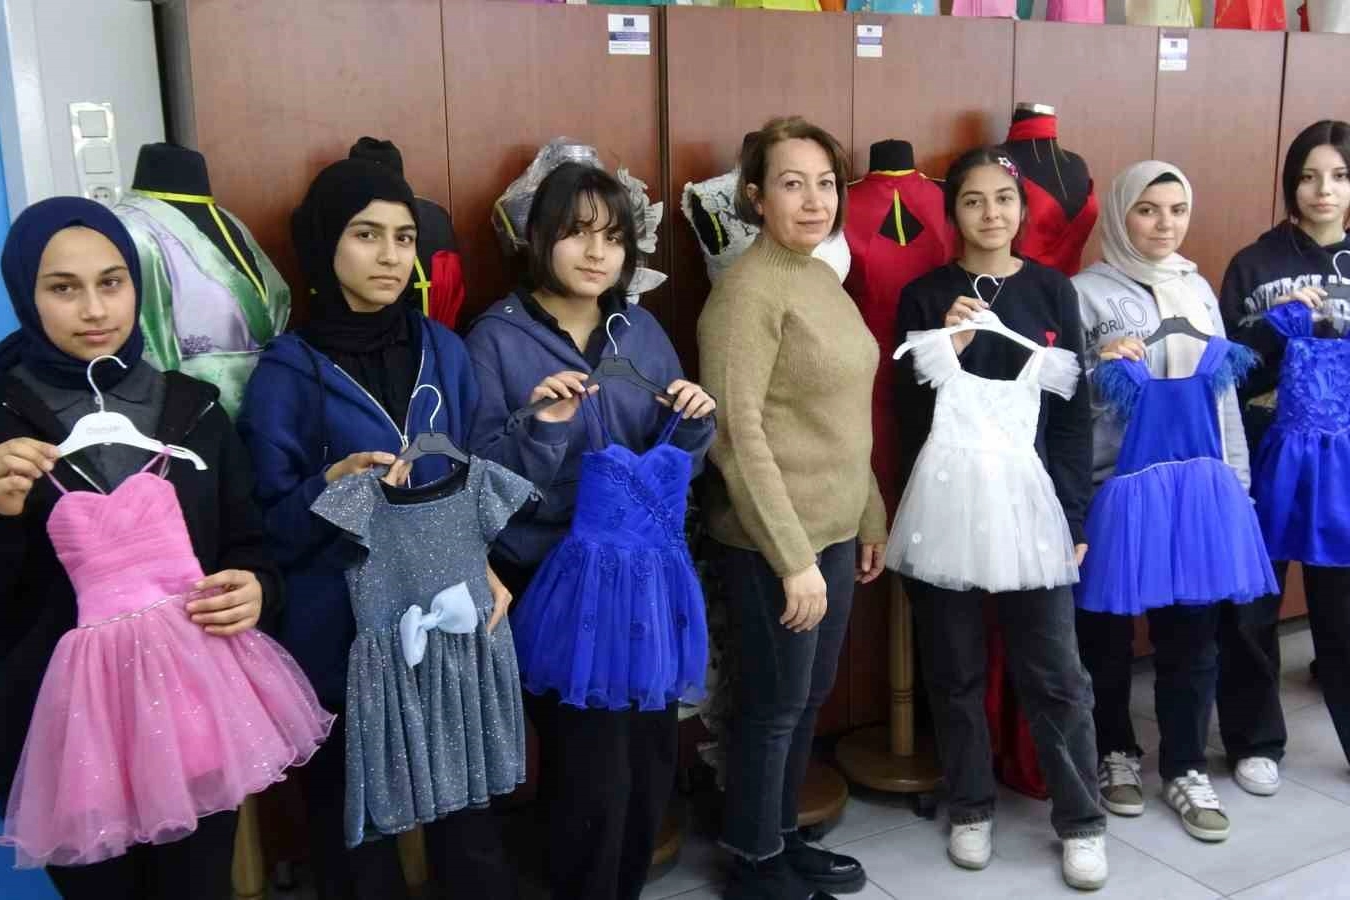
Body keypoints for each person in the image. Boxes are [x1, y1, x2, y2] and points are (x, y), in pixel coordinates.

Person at [237, 158, 511, 900]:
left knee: (466, 804)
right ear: (326, 244)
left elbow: (473, 473)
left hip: (445, 612)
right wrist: (330, 489)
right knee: (354, 822)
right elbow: (267, 522)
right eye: (366, 235)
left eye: (403, 237)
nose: (391, 255)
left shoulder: (443, 350)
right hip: (343, 630)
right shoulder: (289, 371)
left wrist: (483, 564)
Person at [0, 197, 289, 900]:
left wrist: (258, 587)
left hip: (192, 716)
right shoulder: (4, 421)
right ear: (26, 295)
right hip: (63, 735)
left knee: (198, 885)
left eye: (113, 281)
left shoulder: (193, 409)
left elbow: (249, 541)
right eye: (63, 288)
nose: (95, 309)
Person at [466, 161, 715, 900]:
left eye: (613, 237)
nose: (597, 252)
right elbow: (481, 488)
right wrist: (543, 428)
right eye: (576, 233)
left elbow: (675, 468)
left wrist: (693, 425)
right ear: (539, 239)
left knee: (650, 765)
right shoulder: (495, 338)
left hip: (639, 580)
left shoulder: (641, 330)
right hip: (548, 579)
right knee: (590, 775)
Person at [894, 146, 1106, 890]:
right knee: (953, 670)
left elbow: (1073, 417)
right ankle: (971, 805)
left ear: (1022, 209)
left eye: (1004, 199)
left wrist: (1074, 516)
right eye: (974, 200)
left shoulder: (1051, 291)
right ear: (953, 213)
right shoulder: (925, 295)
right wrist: (945, 342)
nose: (991, 213)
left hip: (1032, 506)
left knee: (1056, 672)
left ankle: (1082, 820)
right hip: (945, 505)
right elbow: (907, 410)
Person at [697, 116, 885, 900]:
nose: (814, 201)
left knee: (805, 698)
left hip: (834, 530)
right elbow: (734, 435)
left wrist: (869, 510)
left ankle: (778, 835)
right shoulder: (747, 293)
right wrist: (792, 558)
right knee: (771, 707)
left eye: (826, 184)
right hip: (774, 543)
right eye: (792, 184)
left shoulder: (817, 277)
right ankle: (752, 859)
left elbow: (840, 411)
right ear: (755, 196)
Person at [1074, 161, 1269, 842]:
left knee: (1193, 633)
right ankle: (1114, 753)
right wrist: (1103, 367)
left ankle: (1184, 765)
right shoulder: (1084, 294)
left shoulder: (1197, 288)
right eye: (1148, 210)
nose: (1164, 225)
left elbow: (1224, 400)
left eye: (1177, 210)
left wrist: (1236, 484)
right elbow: (1065, 400)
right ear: (1120, 214)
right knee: (1104, 636)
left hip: (1197, 488)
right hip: (1115, 489)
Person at [1223, 120, 1350, 777]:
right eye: (1308, 176)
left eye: (1339, 175)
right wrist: (1276, 326)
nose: (1323, 190)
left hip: (1344, 464)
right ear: (1289, 183)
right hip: (1264, 451)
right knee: (1252, 604)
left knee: (1343, 607)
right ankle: (1254, 743)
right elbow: (1226, 370)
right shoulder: (1255, 263)